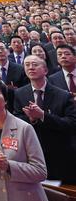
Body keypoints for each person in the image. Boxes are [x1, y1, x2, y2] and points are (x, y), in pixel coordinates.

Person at [14, 55, 76, 183]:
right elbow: (16, 119)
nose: (30, 67)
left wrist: (43, 116)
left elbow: (71, 124)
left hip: (59, 154)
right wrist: (31, 119)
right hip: (31, 154)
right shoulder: (20, 93)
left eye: (35, 64)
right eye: (27, 64)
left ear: (46, 70)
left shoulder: (63, 95)